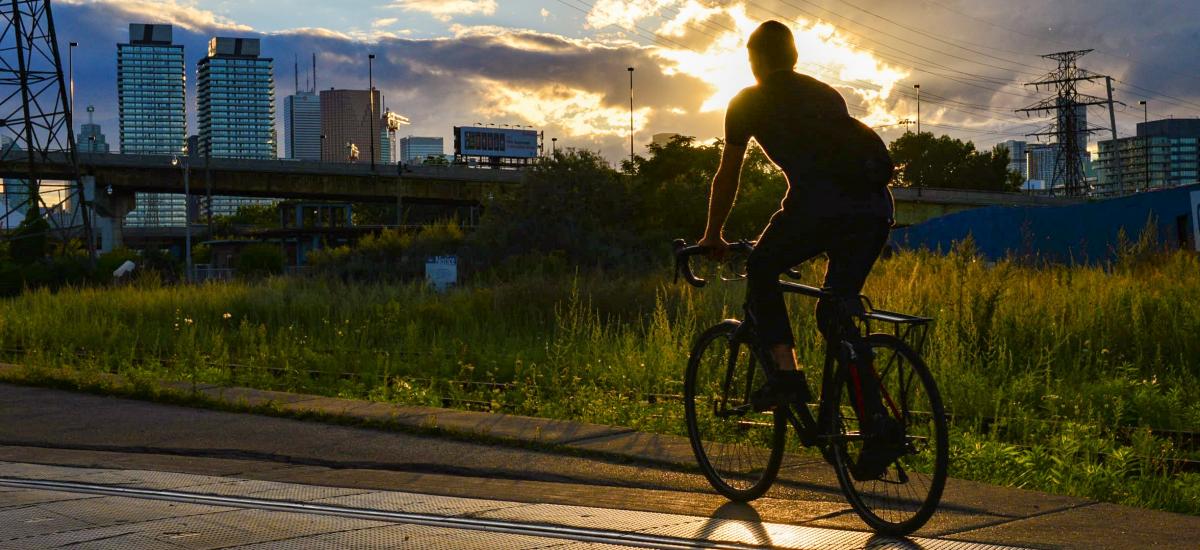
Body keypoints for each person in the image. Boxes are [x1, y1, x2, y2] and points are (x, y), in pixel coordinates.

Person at [697, 21, 898, 477]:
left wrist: (712, 234)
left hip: (818, 209)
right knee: (835, 315)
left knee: (763, 266)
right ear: (793, 56)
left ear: (755, 59)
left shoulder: (746, 102)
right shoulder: (826, 93)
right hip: (873, 210)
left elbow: (729, 174)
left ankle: (786, 375)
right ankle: (877, 427)